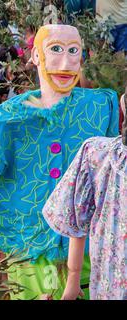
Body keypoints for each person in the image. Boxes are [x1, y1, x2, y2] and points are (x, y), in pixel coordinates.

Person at [0, 24, 120, 300]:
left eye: (73, 51)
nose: (66, 62)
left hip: (92, 252)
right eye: (55, 50)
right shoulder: (6, 120)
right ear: (36, 57)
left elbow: (113, 177)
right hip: (31, 256)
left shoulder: (102, 106)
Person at [43, 99, 127, 300]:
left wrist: (73, 279)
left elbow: (74, 216)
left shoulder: (97, 153)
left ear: (123, 103)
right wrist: (73, 279)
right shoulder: (98, 154)